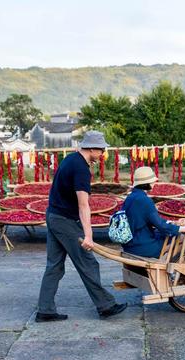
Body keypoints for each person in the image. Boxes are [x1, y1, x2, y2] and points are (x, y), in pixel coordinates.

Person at [36, 131, 127, 322]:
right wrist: (88, 235)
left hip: (53, 215)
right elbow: (83, 204)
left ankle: (45, 309)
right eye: (101, 150)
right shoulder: (81, 169)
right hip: (64, 220)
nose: (102, 153)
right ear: (92, 148)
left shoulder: (70, 159)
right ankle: (106, 305)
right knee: (88, 263)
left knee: (54, 266)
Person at [123, 166, 185, 258]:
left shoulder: (130, 197)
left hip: (130, 244)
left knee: (166, 233)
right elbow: (161, 225)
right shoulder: (145, 200)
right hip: (142, 247)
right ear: (147, 183)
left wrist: (173, 223)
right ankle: (170, 267)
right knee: (180, 237)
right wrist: (184, 229)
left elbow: (152, 220)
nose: (154, 183)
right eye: (152, 181)